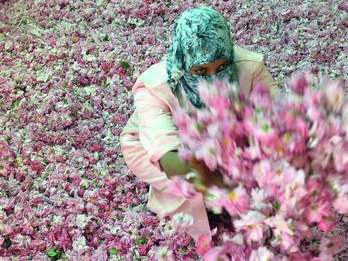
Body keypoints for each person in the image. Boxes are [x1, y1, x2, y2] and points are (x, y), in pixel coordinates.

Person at [119, 6, 278, 240]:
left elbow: (276, 121)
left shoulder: (250, 68)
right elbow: (168, 157)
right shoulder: (155, 86)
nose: (213, 80)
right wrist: (224, 187)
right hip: (154, 147)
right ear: (184, 63)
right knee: (189, 193)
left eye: (222, 66)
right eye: (201, 70)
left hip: (225, 136)